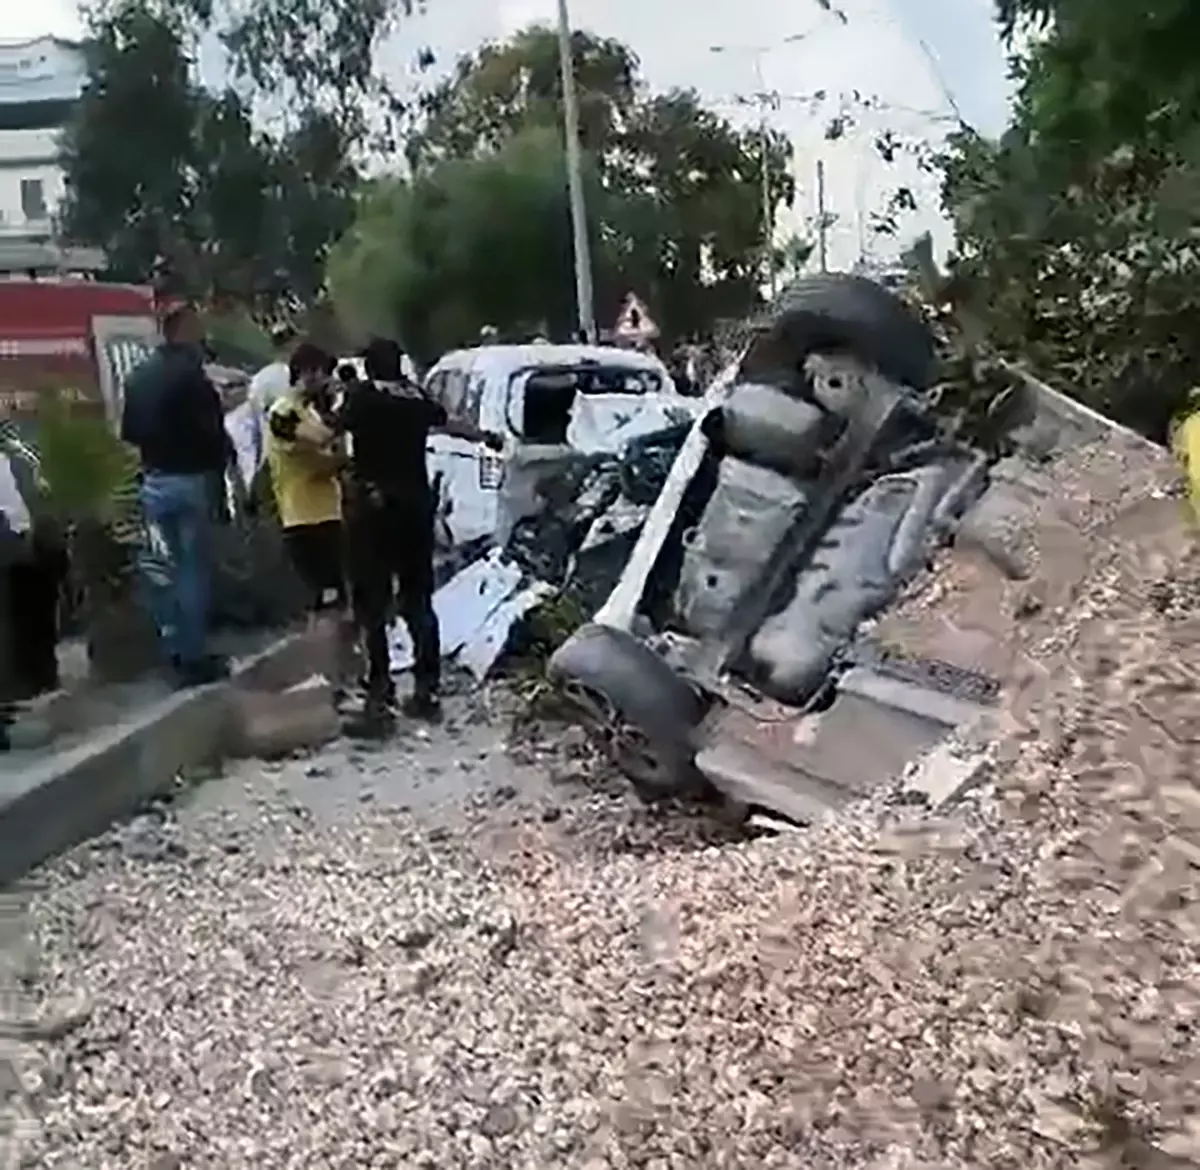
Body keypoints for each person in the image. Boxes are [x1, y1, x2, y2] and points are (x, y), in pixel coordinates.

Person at [338, 337, 502, 726]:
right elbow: (452, 424)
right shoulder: (414, 396)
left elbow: (331, 428)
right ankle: (427, 688)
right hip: (414, 508)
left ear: (370, 367)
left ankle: (380, 691)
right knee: (418, 598)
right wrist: (486, 437)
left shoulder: (362, 397)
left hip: (374, 510)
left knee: (373, 601)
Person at [121, 304, 231, 686]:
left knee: (162, 572)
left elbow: (129, 433)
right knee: (191, 571)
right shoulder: (193, 378)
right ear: (182, 329)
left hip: (154, 482)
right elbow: (214, 435)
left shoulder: (138, 378)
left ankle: (173, 651)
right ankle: (194, 656)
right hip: (191, 481)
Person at [264, 342, 356, 685]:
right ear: (308, 372)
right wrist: (343, 413)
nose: (328, 381)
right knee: (324, 604)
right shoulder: (284, 413)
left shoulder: (307, 410)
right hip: (304, 519)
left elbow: (333, 451)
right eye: (324, 374)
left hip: (326, 515)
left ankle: (337, 677)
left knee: (338, 602)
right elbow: (324, 440)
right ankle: (323, 678)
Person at [248, 324, 297, 471]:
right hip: (297, 457)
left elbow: (253, 425)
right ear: (291, 344)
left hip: (272, 455)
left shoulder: (260, 378)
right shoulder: (305, 376)